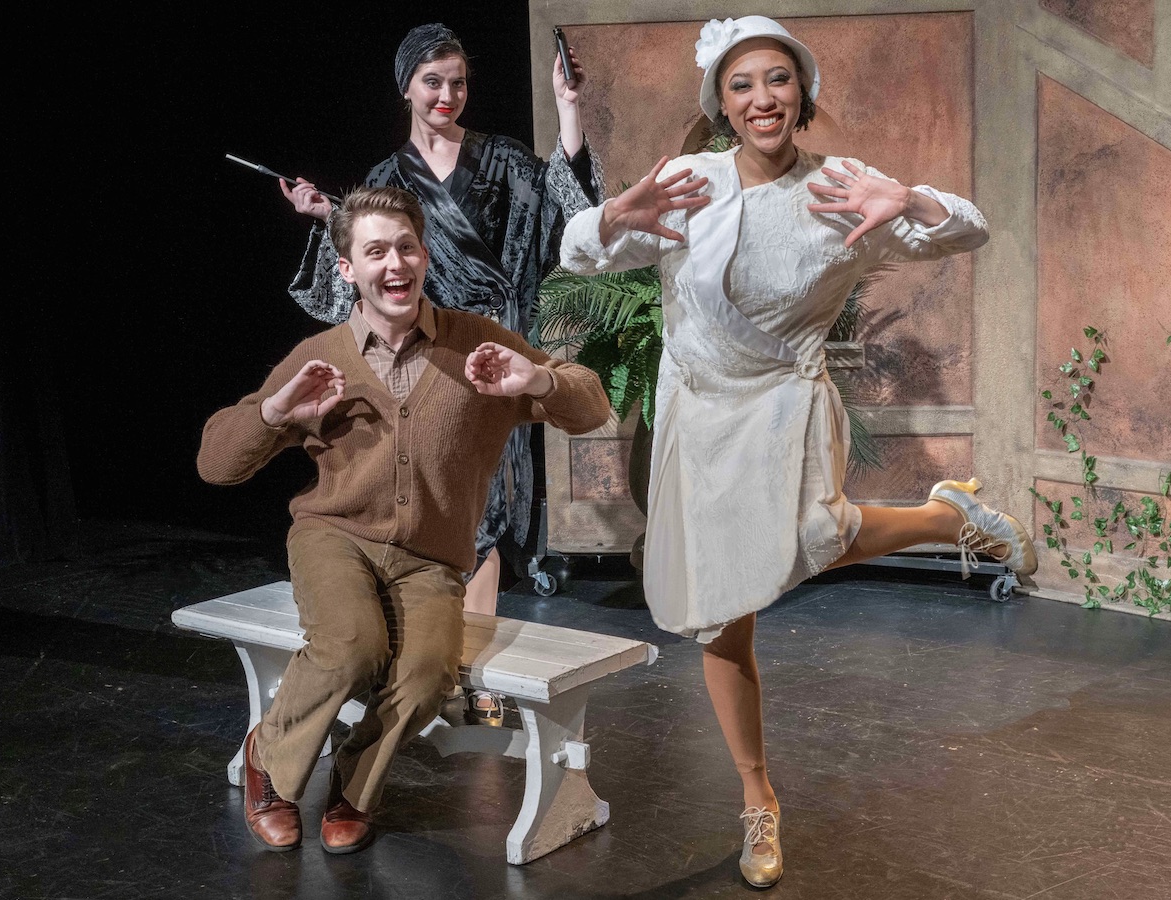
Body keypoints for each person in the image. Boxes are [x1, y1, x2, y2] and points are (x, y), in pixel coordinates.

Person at [559, 16, 1037, 888]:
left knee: (815, 536)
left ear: (800, 92)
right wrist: (609, 217)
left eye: (777, 80)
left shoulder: (844, 185)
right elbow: (577, 253)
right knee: (720, 614)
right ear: (721, 104)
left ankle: (943, 515)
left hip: (785, 400)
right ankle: (758, 799)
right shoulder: (688, 182)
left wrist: (914, 202)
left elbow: (970, 229)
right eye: (741, 86)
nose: (761, 99)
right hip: (699, 412)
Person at [198, 186, 609, 854]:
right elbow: (217, 463)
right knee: (352, 646)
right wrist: (274, 416)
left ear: (424, 254)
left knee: (425, 677)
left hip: (431, 558)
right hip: (336, 537)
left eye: (406, 247)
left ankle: (353, 788)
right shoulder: (320, 354)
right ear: (346, 268)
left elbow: (589, 408)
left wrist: (533, 382)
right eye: (375, 251)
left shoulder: (478, 345)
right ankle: (267, 761)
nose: (395, 264)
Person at [279, 23, 605, 723]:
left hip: (487, 353)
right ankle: (434, 667)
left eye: (458, 81)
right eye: (433, 82)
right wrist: (323, 216)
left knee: (482, 514)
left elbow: (565, 210)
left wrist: (568, 108)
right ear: (407, 87)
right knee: (434, 509)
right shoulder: (385, 180)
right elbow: (358, 263)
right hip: (416, 358)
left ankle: (463, 676)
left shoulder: (505, 160)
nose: (448, 95)